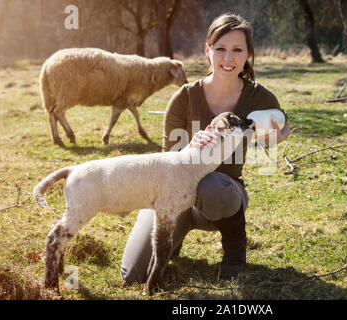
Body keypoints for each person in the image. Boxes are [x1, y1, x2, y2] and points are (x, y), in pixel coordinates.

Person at [120, 13, 291, 285]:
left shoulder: (259, 97)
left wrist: (276, 139)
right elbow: (166, 166)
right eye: (220, 49)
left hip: (221, 197)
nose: (228, 58)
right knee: (134, 276)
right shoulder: (184, 98)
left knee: (211, 184)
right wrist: (191, 147)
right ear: (207, 50)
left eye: (237, 50)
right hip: (174, 194)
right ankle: (175, 236)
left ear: (248, 54)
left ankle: (235, 247)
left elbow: (281, 123)